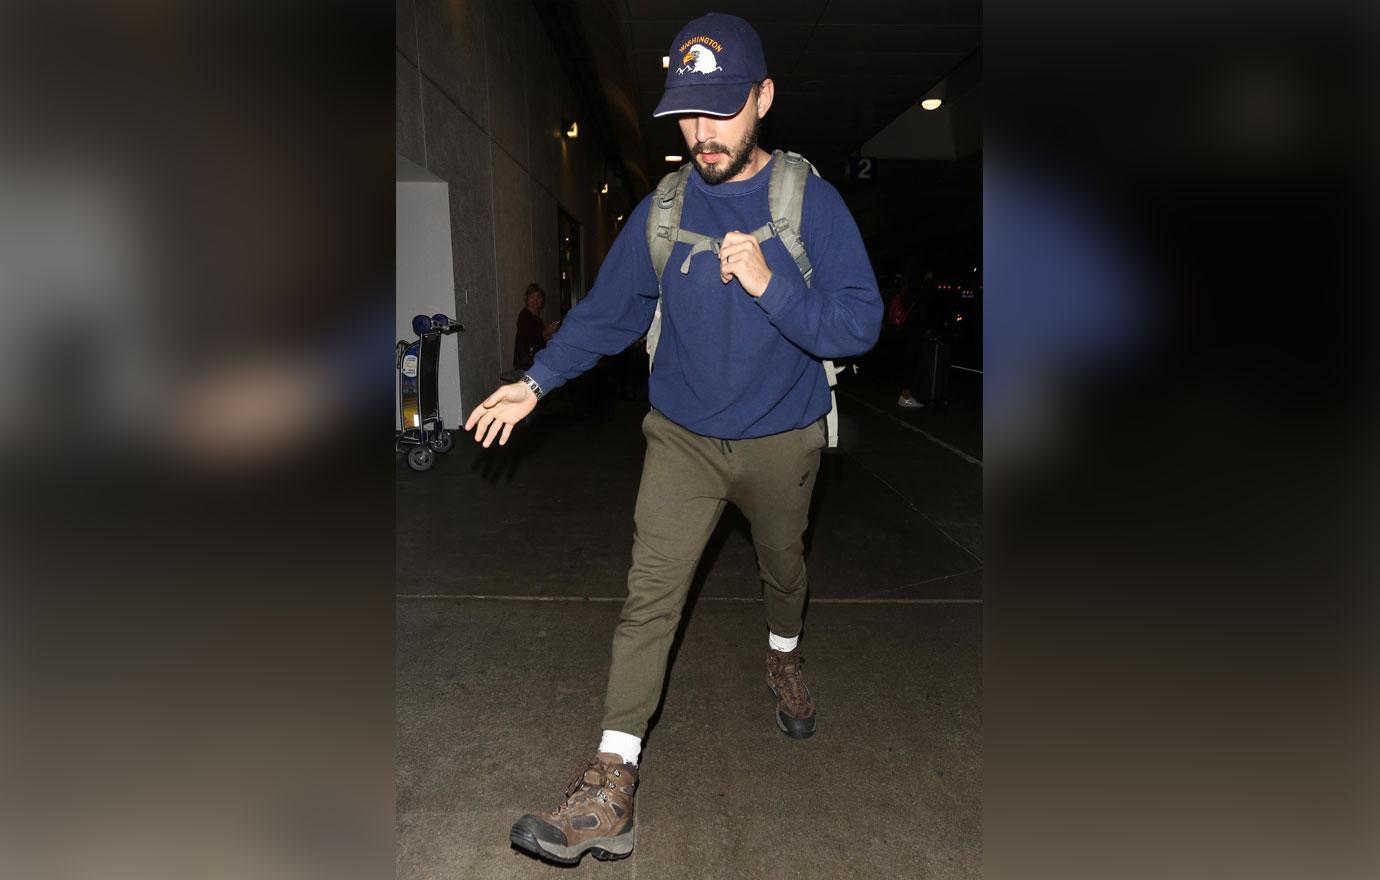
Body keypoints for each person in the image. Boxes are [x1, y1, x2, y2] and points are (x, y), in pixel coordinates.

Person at [463, 12, 881, 866]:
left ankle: (784, 653)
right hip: (684, 438)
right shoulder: (665, 209)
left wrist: (772, 285)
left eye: (721, 110)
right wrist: (536, 379)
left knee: (785, 568)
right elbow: (609, 315)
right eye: (689, 113)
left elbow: (859, 323)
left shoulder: (807, 201)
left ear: (763, 99)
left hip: (782, 438)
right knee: (649, 595)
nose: (702, 134)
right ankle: (610, 787)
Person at [512, 282, 558, 372]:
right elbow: (530, 339)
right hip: (525, 364)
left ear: (542, 300)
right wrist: (546, 332)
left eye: (538, 297)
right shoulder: (524, 316)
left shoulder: (536, 315)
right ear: (526, 298)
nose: (535, 300)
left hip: (533, 362)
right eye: (532, 297)